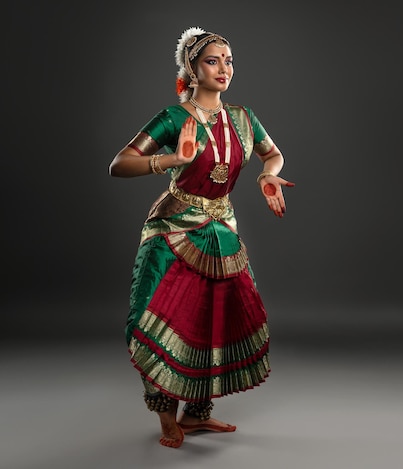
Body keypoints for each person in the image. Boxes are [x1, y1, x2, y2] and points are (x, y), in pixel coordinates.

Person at [108, 26, 295, 448]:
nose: (224, 68)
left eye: (228, 60)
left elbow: (273, 152)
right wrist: (172, 159)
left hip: (222, 229)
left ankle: (196, 414)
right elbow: (119, 164)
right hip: (174, 228)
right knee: (164, 317)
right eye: (213, 60)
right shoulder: (174, 118)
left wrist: (269, 174)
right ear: (191, 70)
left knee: (214, 319)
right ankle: (166, 418)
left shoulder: (244, 118)